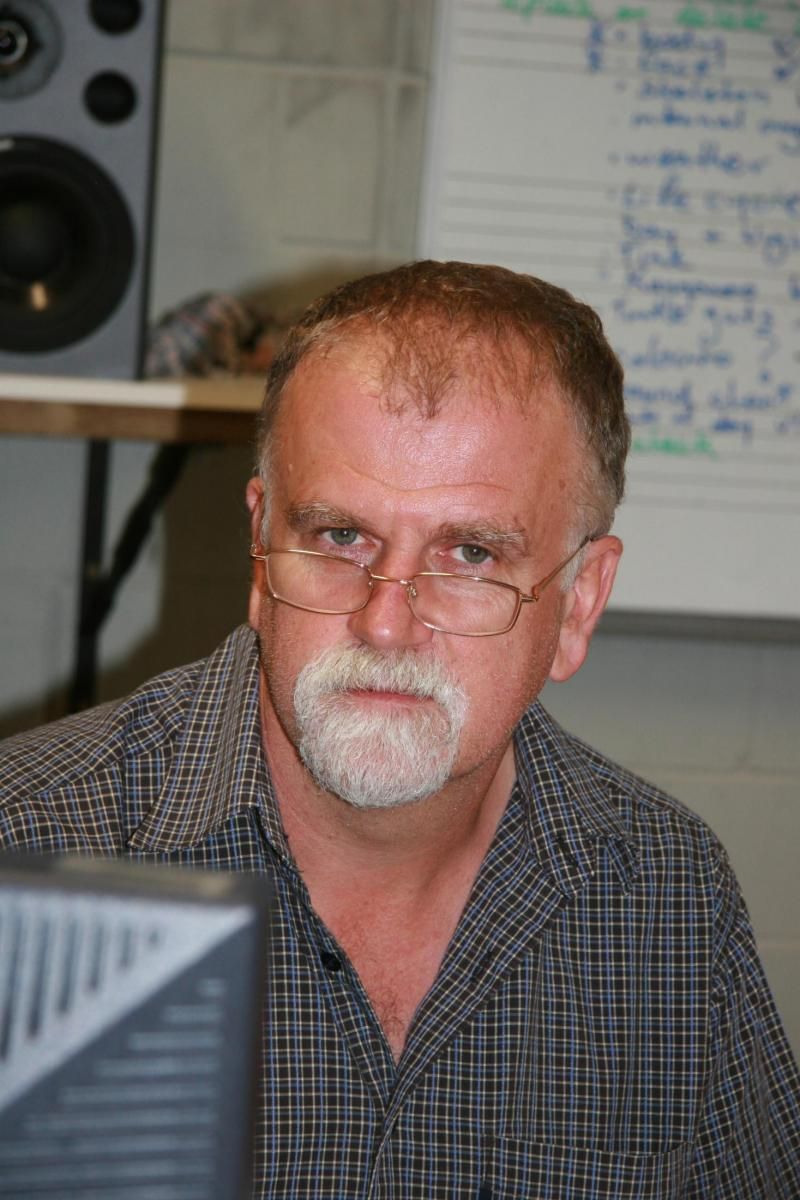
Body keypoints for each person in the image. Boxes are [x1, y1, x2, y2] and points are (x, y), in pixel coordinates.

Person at [1, 261, 798, 1198]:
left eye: (469, 553)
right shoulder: (26, 846)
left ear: (579, 603)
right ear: (262, 554)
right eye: (341, 537)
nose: (386, 622)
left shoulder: (665, 896)